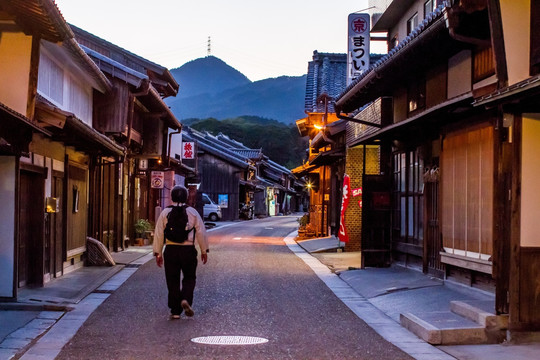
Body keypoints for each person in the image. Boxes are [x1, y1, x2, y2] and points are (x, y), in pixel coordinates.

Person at [154, 185, 209, 319]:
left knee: (172, 280)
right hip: (188, 249)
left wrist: (158, 253)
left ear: (172, 197)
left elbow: (159, 234)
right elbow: (201, 232)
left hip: (171, 249)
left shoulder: (165, 213)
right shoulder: (193, 212)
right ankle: (185, 299)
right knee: (189, 277)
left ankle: (175, 310)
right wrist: (204, 250)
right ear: (186, 197)